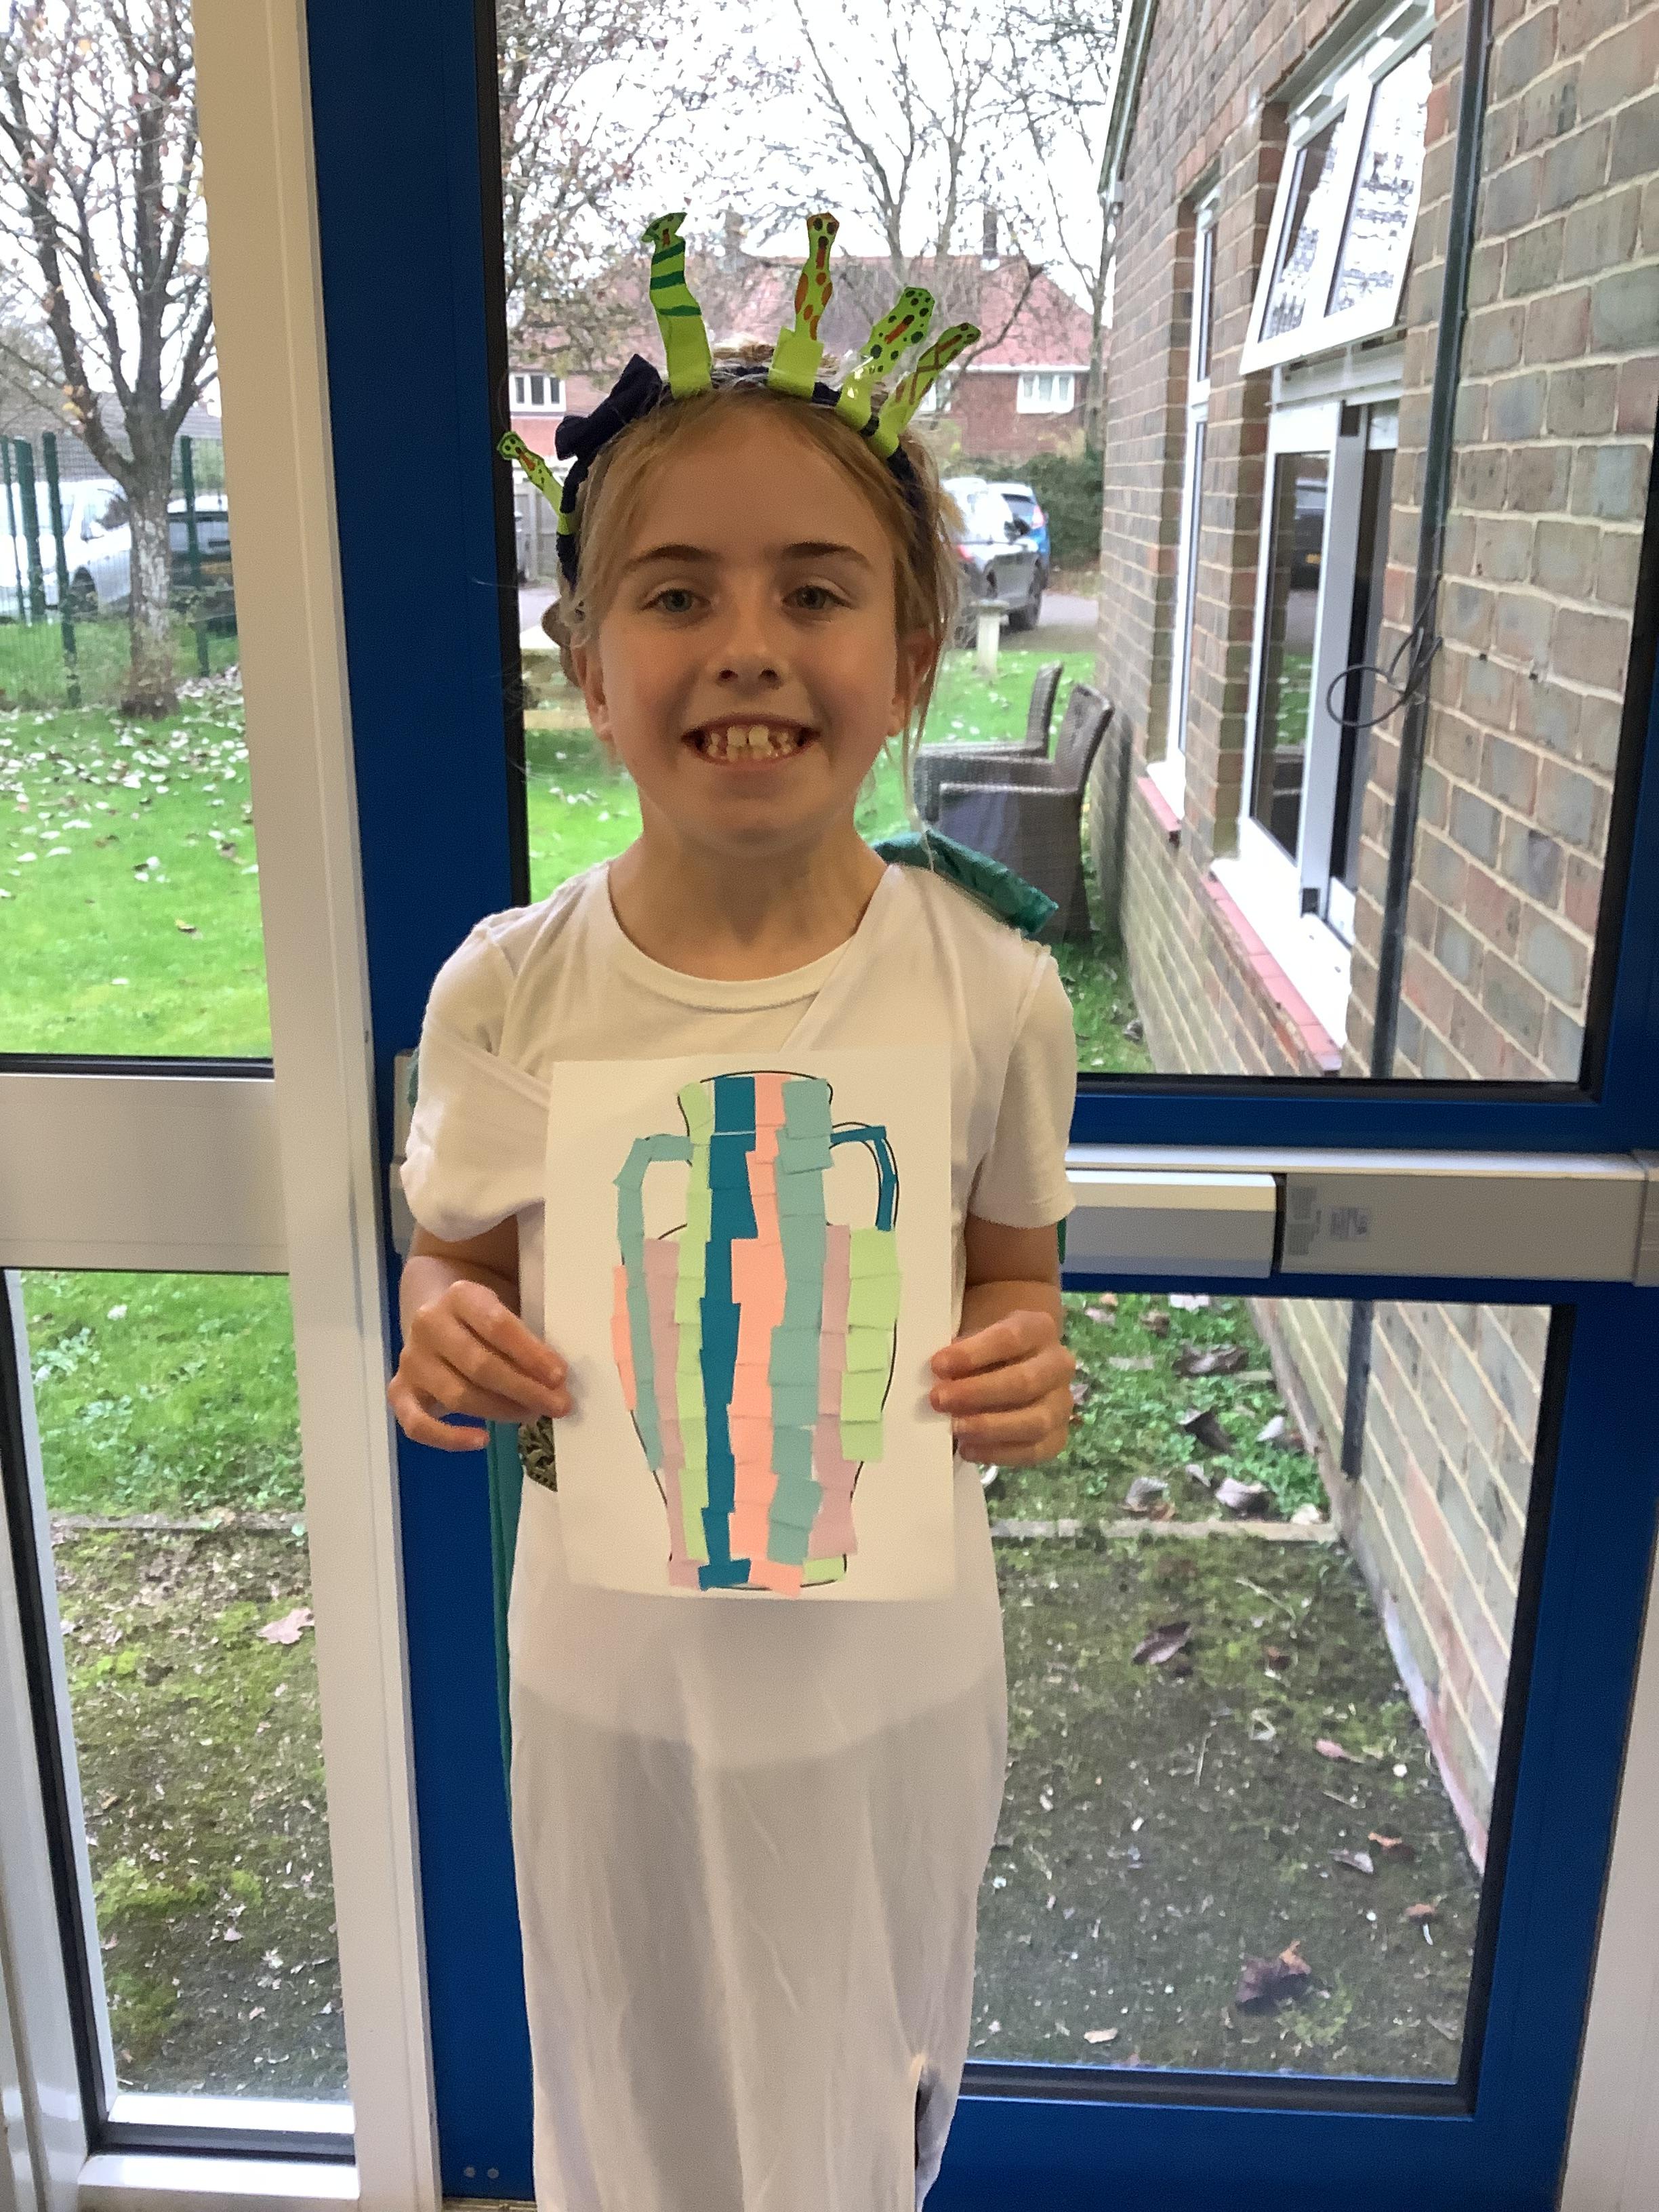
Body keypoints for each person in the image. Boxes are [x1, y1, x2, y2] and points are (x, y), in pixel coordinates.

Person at [389, 211, 1078, 2211]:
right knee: (636, 2086)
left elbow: (1015, 1287)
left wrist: (1028, 1369)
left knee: (863, 2088)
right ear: (589, 671)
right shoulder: (508, 990)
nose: (749, 642)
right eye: (677, 592)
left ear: (913, 658)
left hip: (890, 1689)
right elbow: (454, 1268)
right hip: (612, 1681)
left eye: (816, 590)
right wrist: (443, 1333)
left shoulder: (994, 992)